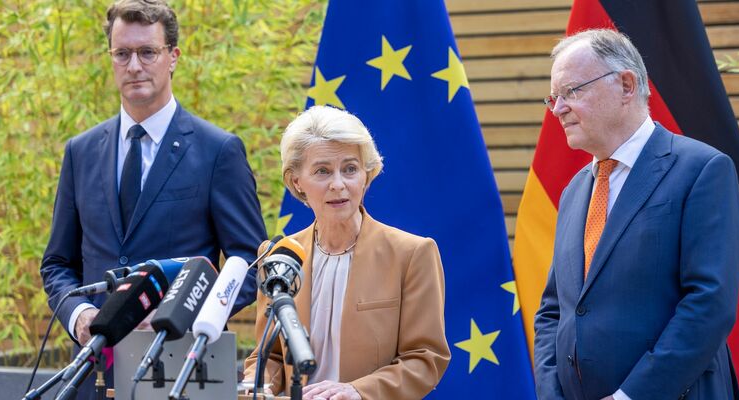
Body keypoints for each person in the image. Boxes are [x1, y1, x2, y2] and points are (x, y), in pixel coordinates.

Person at [40, 0, 266, 397]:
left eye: (147, 52)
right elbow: (58, 263)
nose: (134, 66)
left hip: (181, 371)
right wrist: (80, 315)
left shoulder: (218, 151)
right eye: (122, 54)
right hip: (94, 373)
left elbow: (248, 264)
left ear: (173, 57)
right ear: (111, 58)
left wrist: (179, 312)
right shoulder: (81, 151)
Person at [533, 29, 739, 400]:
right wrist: (552, 394)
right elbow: (554, 311)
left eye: (572, 91)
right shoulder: (574, 191)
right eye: (554, 98)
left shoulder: (702, 170)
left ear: (626, 85)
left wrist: (629, 396)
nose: (558, 109)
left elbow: (709, 303)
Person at [243, 105, 450, 399]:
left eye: (350, 169)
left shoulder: (412, 254)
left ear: (366, 175)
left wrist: (358, 391)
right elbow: (271, 355)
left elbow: (425, 358)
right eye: (323, 171)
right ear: (297, 181)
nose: (338, 184)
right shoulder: (280, 256)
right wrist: (259, 384)